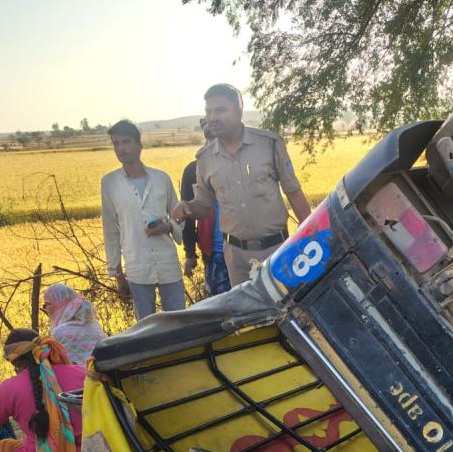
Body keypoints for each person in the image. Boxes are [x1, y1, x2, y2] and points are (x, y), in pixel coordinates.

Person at [171, 84, 312, 287]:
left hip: (276, 250)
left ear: (239, 110)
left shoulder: (269, 144)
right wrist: (187, 207)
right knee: (246, 308)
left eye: (220, 110)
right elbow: (204, 205)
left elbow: (293, 191)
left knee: (288, 302)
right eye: (209, 112)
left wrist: (310, 236)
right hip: (236, 258)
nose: (213, 118)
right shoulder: (205, 158)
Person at [100, 119, 186, 321]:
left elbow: (179, 216)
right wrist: (117, 272)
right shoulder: (110, 183)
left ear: (139, 145)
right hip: (136, 266)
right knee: (145, 327)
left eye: (126, 142)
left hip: (167, 263)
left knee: (178, 322)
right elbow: (111, 230)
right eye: (116, 143)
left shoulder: (161, 178)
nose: (121, 148)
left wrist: (168, 226)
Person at [181, 121, 231, 296]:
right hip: (213, 250)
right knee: (219, 304)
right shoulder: (192, 170)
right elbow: (188, 214)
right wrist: (190, 253)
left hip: (244, 248)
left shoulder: (237, 163)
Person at [42, 283, 106, 365]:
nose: (45, 309)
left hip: (76, 373)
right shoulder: (95, 325)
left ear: (58, 304)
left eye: (46, 305)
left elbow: (59, 364)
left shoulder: (60, 332)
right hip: (100, 372)